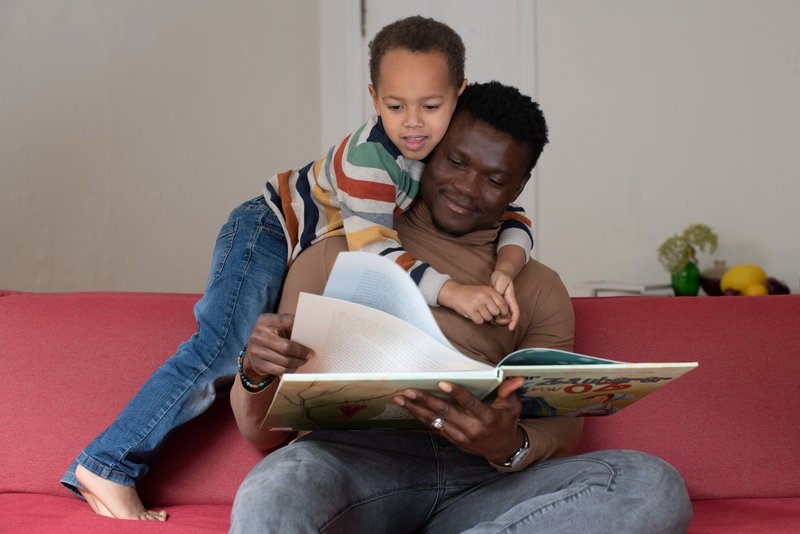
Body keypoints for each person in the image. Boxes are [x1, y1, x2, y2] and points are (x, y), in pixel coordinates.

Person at [62, 16, 536, 521]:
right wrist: (455, 292)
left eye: (431, 106)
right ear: (375, 99)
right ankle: (109, 463)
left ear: (457, 96)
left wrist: (506, 267)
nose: (414, 122)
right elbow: (375, 253)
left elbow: (512, 214)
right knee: (221, 349)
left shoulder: (437, 147)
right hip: (267, 231)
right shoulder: (371, 159)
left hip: (302, 244)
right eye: (396, 107)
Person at [228, 81, 692, 533]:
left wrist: (508, 444)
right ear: (426, 148)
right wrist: (256, 372)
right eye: (455, 161)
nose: (468, 187)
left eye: (494, 179)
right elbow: (263, 436)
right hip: (351, 465)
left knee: (649, 484)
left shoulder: (538, 287)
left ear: (519, 185)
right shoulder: (336, 253)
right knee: (274, 488)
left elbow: (564, 435)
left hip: (483, 483)